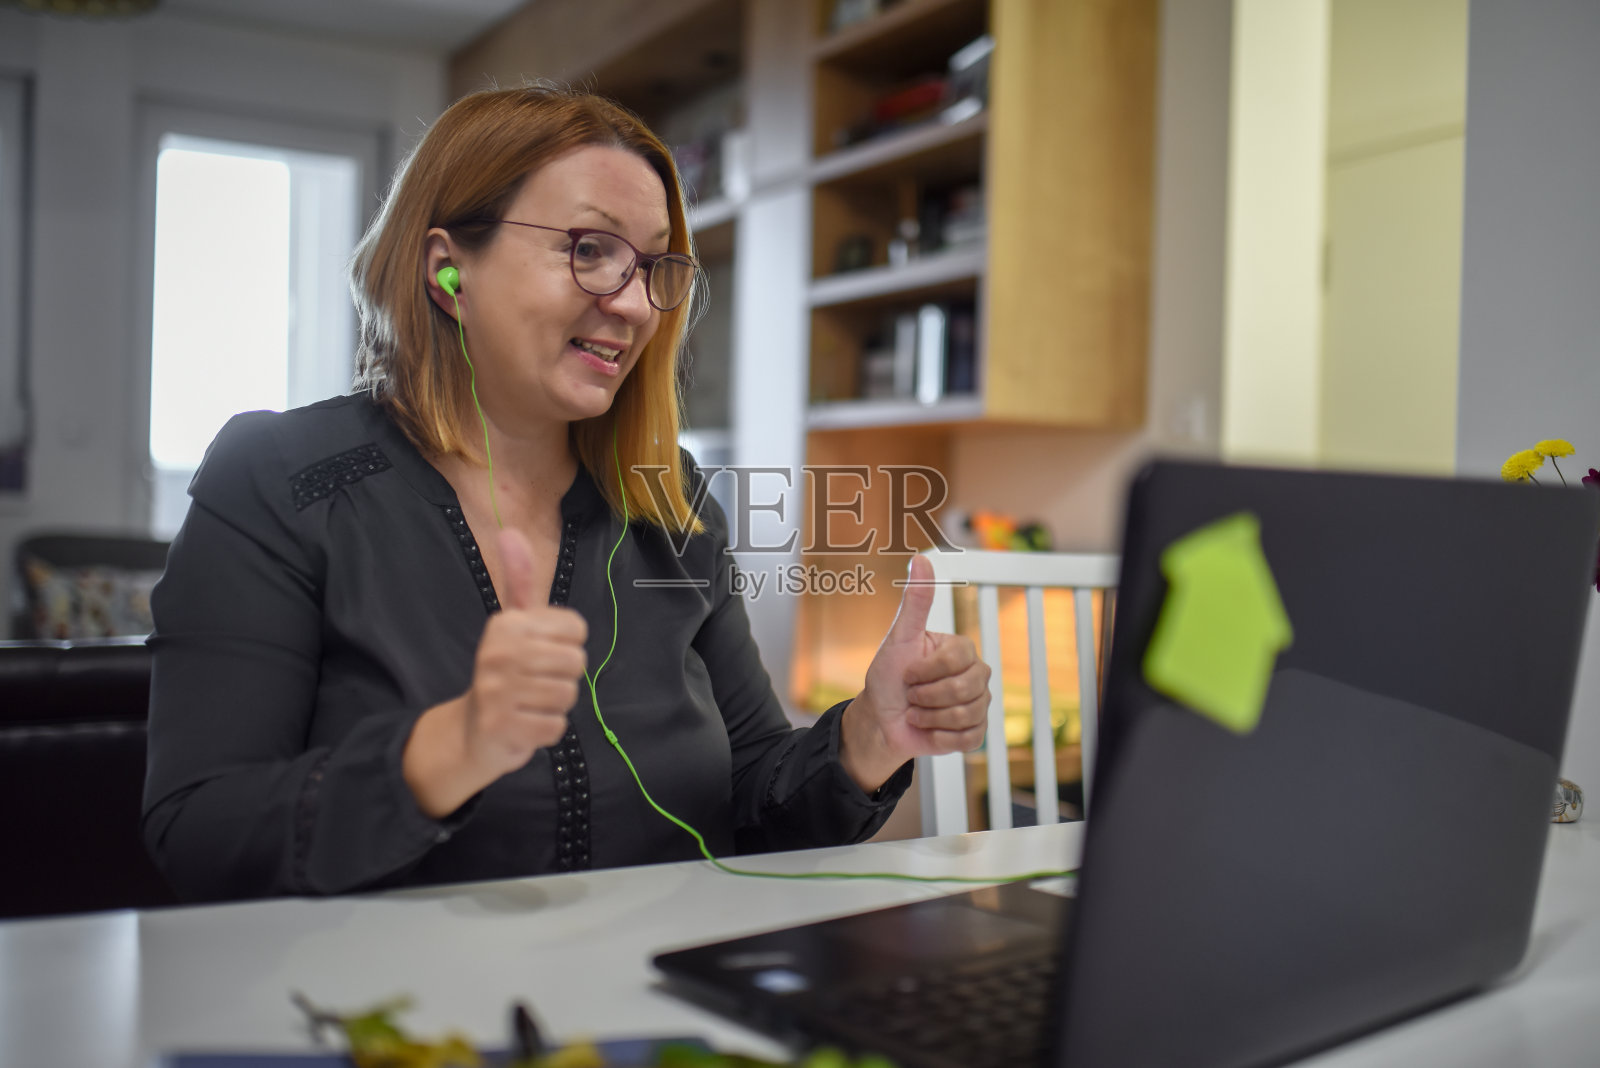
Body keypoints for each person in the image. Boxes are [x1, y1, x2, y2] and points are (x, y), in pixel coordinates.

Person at [142, 86, 989, 903]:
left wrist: (863, 740)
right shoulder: (279, 476)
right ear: (447, 271)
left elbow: (753, 800)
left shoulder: (673, 506)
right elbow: (201, 833)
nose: (633, 303)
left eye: (654, 265)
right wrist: (447, 751)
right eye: (589, 249)